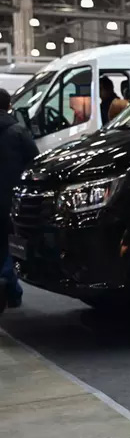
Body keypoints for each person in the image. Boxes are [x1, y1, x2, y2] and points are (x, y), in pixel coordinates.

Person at [0, 88, 39, 308]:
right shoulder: (18, 132)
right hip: (9, 199)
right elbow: (35, 161)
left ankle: (10, 289)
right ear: (9, 106)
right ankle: (9, 287)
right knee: (9, 244)